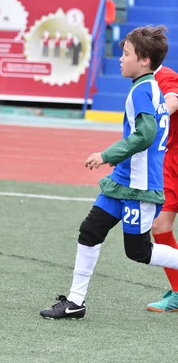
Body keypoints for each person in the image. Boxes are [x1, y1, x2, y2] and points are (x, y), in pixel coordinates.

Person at [40, 25, 178, 319]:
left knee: (138, 252)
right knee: (90, 230)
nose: (120, 58)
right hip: (122, 182)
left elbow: (146, 134)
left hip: (139, 186)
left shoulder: (144, 89)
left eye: (126, 54)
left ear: (144, 60)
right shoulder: (148, 86)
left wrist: (106, 155)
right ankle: (76, 303)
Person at [146, 64, 178, 312]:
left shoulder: (164, 76)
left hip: (174, 161)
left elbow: (173, 101)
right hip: (168, 161)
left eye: (127, 54)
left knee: (159, 226)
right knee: (160, 225)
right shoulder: (145, 82)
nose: (122, 60)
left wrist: (151, 125)